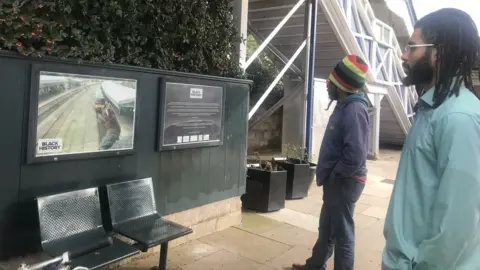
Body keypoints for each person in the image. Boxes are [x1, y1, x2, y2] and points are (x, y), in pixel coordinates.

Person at [382, 8, 480, 269]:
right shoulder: (433, 107)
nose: (404, 55)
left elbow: (457, 221)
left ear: (439, 52)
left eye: (412, 47)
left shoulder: (458, 117)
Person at [293, 54, 370, 270]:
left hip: (345, 181)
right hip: (337, 180)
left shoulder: (354, 110)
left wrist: (336, 174)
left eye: (332, 82)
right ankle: (315, 265)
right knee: (326, 226)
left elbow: (355, 154)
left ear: (342, 85)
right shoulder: (345, 104)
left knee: (343, 233)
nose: (328, 85)